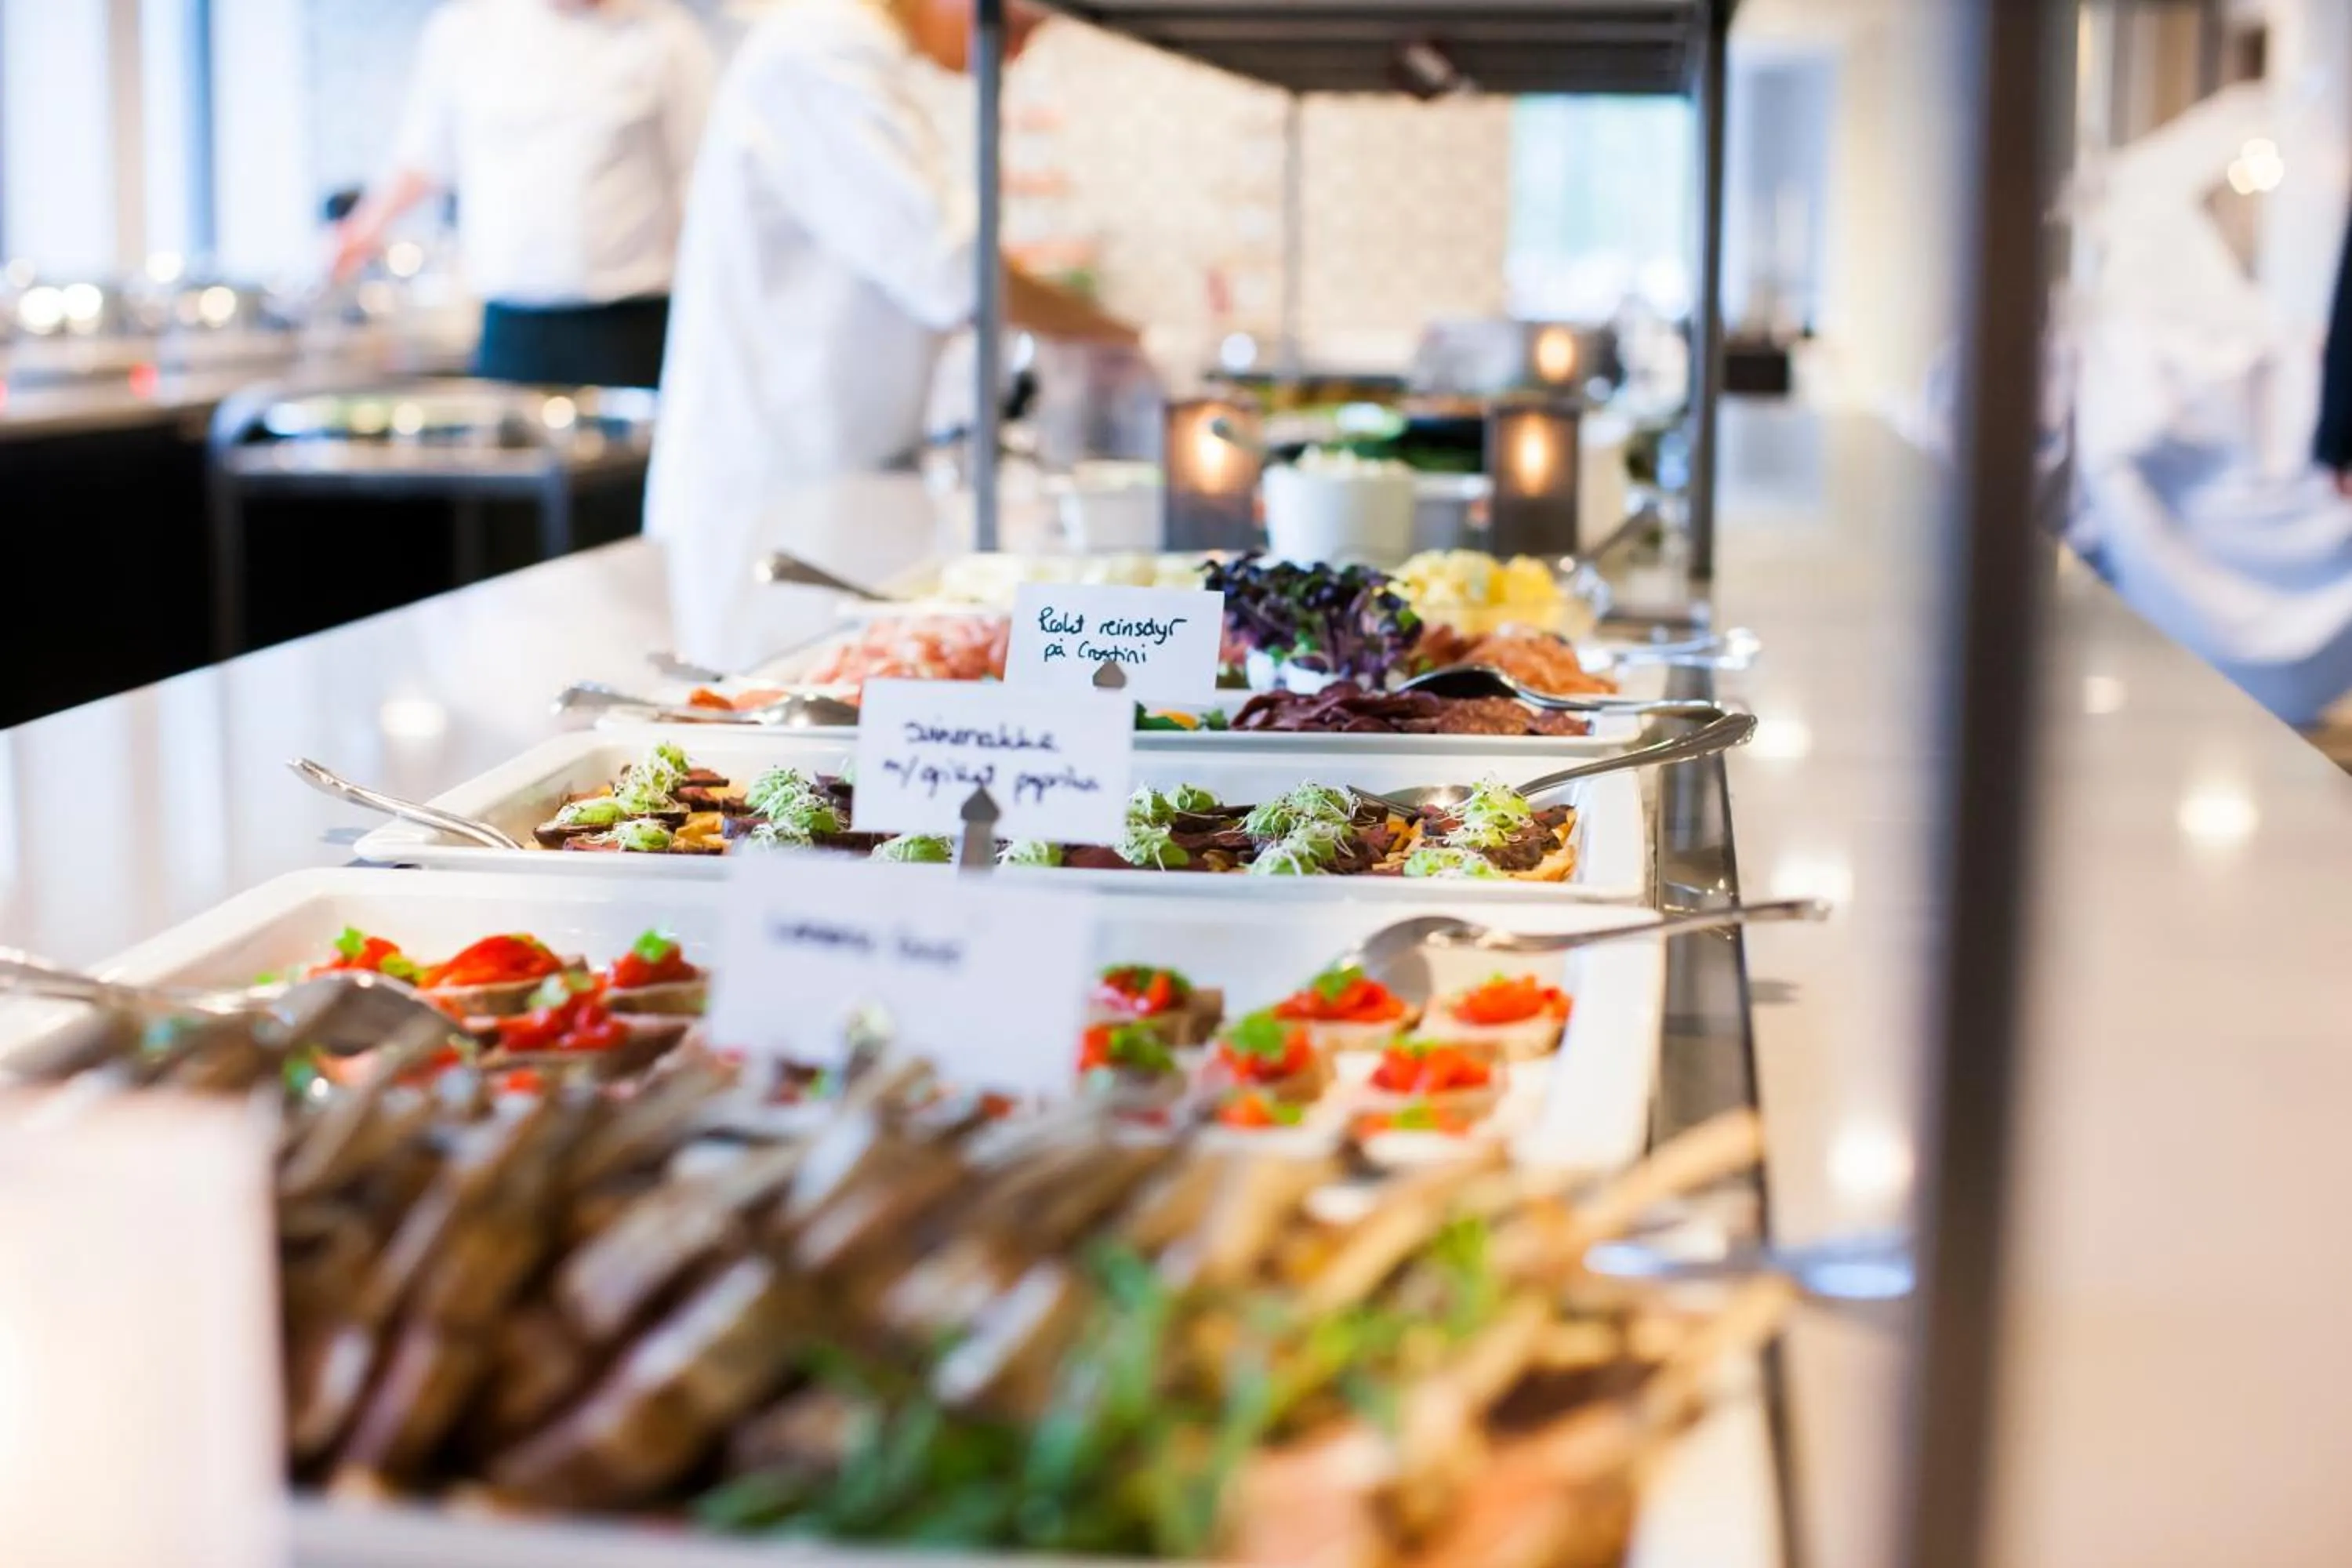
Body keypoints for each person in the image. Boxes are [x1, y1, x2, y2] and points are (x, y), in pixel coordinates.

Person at [644, 0, 1135, 553]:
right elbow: (956, 273)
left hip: (830, 474)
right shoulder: (819, 52)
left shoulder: (853, 54)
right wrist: (1134, 342)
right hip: (776, 483)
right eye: (1019, 28)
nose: (1014, 55)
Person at [330, 0, 715, 389]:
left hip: (629, 323)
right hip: (510, 326)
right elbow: (424, 156)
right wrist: (361, 230)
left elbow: (703, 178)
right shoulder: (468, 29)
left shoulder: (665, 35)